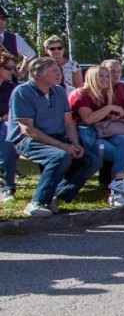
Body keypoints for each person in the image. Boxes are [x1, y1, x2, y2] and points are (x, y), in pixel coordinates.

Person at [7, 57, 102, 217]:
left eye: (59, 70)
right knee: (60, 157)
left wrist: (75, 143)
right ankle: (37, 202)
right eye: (54, 71)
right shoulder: (22, 92)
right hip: (28, 140)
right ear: (37, 74)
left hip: (57, 137)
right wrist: (63, 146)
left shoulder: (58, 91)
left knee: (92, 161)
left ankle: (54, 196)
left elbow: (68, 123)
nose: (59, 74)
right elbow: (28, 129)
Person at [69, 65, 124, 207]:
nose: (106, 79)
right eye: (101, 76)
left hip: (102, 133)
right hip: (84, 137)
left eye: (107, 76)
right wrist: (110, 108)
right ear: (91, 78)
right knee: (120, 154)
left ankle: (118, 187)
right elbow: (88, 119)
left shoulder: (105, 94)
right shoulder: (81, 94)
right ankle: (117, 192)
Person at [1, 53, 23, 203]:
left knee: (9, 134)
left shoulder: (12, 89)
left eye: (13, 68)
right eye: (8, 68)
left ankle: (5, 184)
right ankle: (6, 187)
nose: (12, 72)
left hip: (6, 127)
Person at [0, 5, 36, 70]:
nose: (1, 21)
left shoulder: (15, 38)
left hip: (10, 76)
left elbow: (31, 56)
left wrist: (22, 71)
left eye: (3, 18)